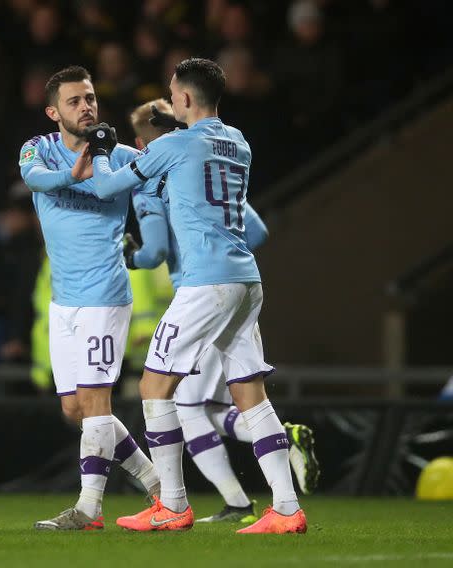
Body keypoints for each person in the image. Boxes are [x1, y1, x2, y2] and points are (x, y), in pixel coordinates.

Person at [90, 58, 307, 534]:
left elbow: (107, 184)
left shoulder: (172, 144)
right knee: (249, 392)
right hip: (246, 281)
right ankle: (287, 509)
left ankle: (171, 503)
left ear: (184, 98)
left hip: (204, 282)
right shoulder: (238, 141)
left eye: (173, 92)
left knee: (154, 386)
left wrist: (104, 147)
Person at [18, 65, 159, 530]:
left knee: (96, 400)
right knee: (75, 409)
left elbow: (152, 189)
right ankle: (158, 484)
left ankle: (88, 509)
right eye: (76, 101)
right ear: (53, 111)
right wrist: (72, 173)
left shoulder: (119, 157)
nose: (87, 107)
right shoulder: (38, 149)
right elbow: (35, 180)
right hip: (64, 303)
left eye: (91, 98)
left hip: (105, 296)